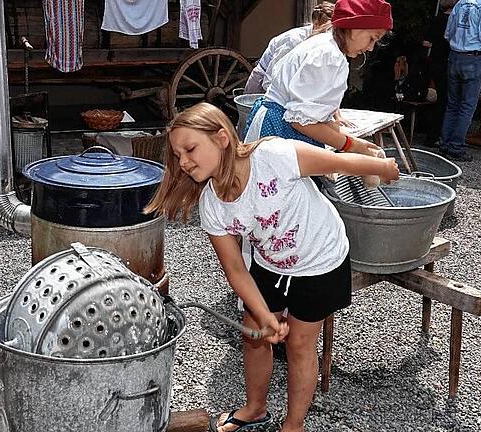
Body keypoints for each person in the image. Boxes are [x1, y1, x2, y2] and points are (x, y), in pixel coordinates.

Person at [144, 102, 399, 432]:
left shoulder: (274, 156)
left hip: (320, 259)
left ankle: (293, 425)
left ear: (222, 137)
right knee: (255, 335)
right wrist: (264, 315)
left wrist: (383, 167)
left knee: (299, 345)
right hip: (271, 262)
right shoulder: (212, 205)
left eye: (190, 149)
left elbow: (338, 162)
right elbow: (235, 270)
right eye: (178, 156)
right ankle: (255, 408)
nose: (184, 162)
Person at [243, 0, 394, 156]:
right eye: (372, 38)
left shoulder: (324, 44)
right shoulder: (329, 56)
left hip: (274, 123)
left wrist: (348, 138)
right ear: (355, 29)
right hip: (279, 131)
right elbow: (301, 122)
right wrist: (350, 145)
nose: (370, 48)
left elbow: (309, 113)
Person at [439, 0, 481, 162]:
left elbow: (448, 33)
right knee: (467, 105)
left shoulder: (460, 3)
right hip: (473, 58)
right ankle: (456, 147)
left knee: (453, 104)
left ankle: (445, 143)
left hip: (454, 56)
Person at [243, 1, 335, 95]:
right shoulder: (293, 40)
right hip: (261, 85)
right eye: (327, 29)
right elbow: (271, 79)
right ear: (316, 23)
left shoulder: (324, 44)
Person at [422, 0, 459, 148]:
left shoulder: (436, 19)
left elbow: (426, 41)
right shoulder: (454, 21)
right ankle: (437, 135)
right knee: (446, 101)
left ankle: (431, 134)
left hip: (434, 61)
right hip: (447, 62)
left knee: (440, 100)